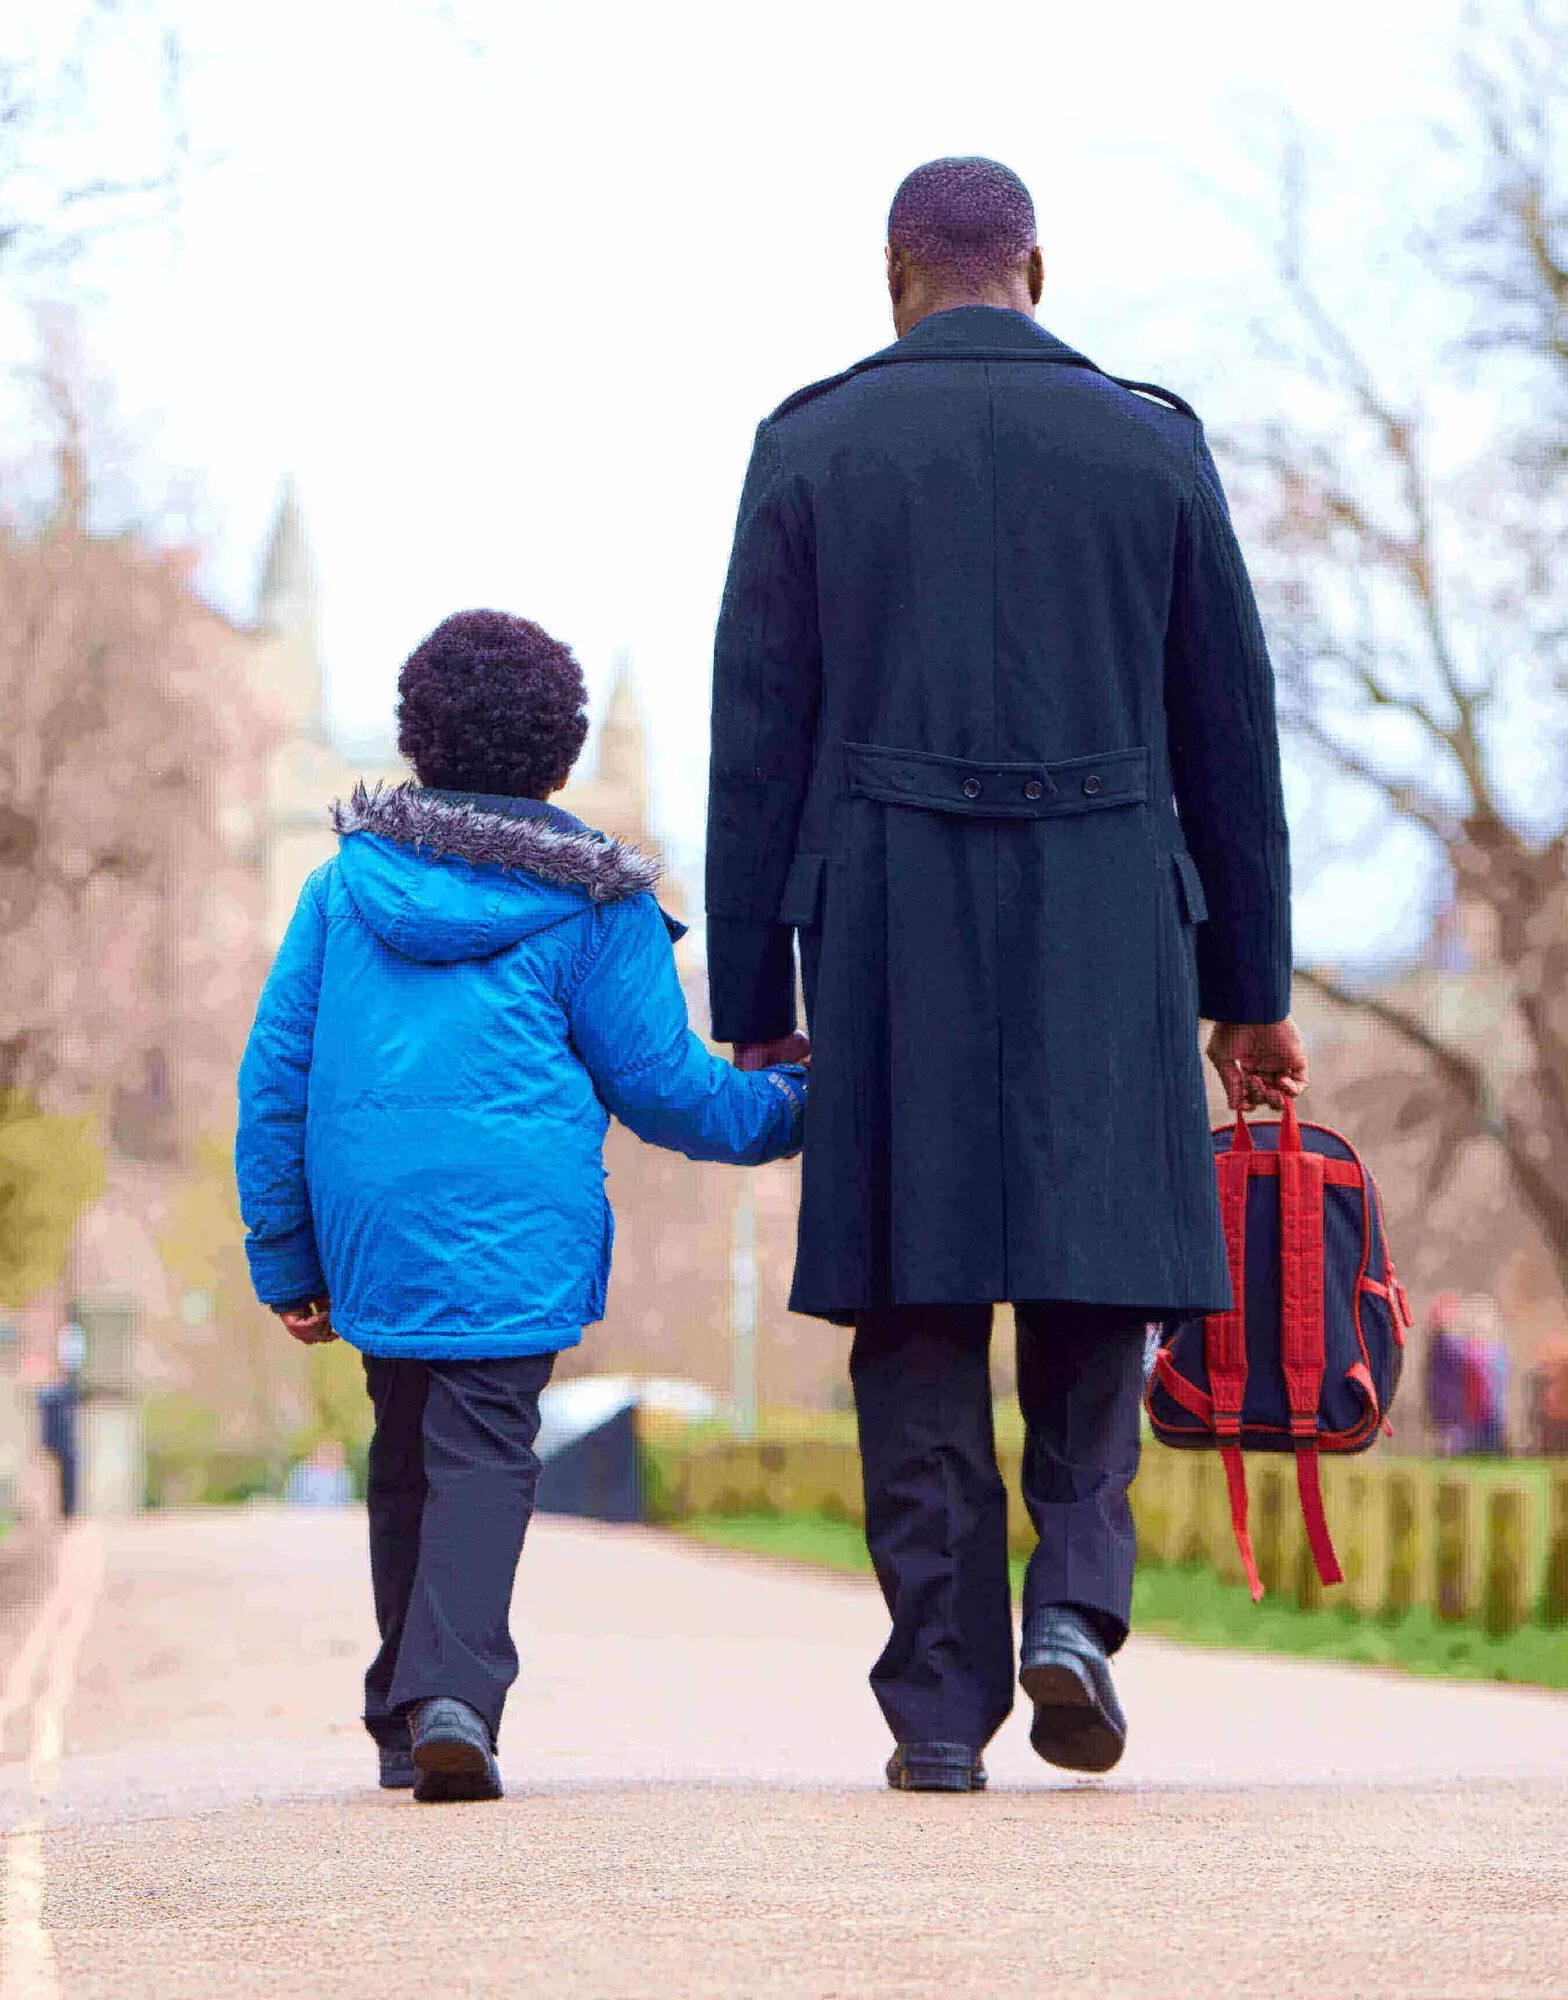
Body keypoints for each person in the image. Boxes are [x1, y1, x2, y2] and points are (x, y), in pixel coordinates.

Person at [704, 157, 1307, 1792]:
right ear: (1035, 265)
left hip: (888, 926)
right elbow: (1229, 734)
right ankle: (1076, 1620)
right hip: (1113, 917)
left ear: (892, 273)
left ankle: (936, 1708)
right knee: (1095, 1283)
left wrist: (754, 1000)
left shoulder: (810, 444)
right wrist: (1251, 986)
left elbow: (756, 745)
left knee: (910, 1312)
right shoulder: (1150, 442)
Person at [238, 609, 805, 1803]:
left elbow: (275, 1076)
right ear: (561, 752)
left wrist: (284, 1249)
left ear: (418, 738)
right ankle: (454, 1690)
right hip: (516, 1219)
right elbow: (667, 1089)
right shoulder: (596, 906)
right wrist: (798, 1101)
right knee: (487, 1442)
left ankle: (403, 1705)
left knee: (407, 1438)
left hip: (369, 1216)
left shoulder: (345, 887)